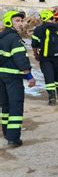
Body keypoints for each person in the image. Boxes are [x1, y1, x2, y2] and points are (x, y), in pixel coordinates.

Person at [0, 10, 36, 147]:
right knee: (16, 105)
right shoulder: (14, 38)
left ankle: (6, 132)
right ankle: (13, 138)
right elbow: (20, 59)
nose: (21, 23)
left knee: (5, 105)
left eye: (21, 21)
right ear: (9, 22)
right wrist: (29, 76)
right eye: (17, 20)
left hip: (1, 76)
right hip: (13, 77)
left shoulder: (1, 36)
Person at [31, 10, 58, 105]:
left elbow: (34, 45)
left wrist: (36, 55)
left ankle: (52, 97)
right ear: (51, 18)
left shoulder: (38, 30)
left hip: (44, 58)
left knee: (48, 76)